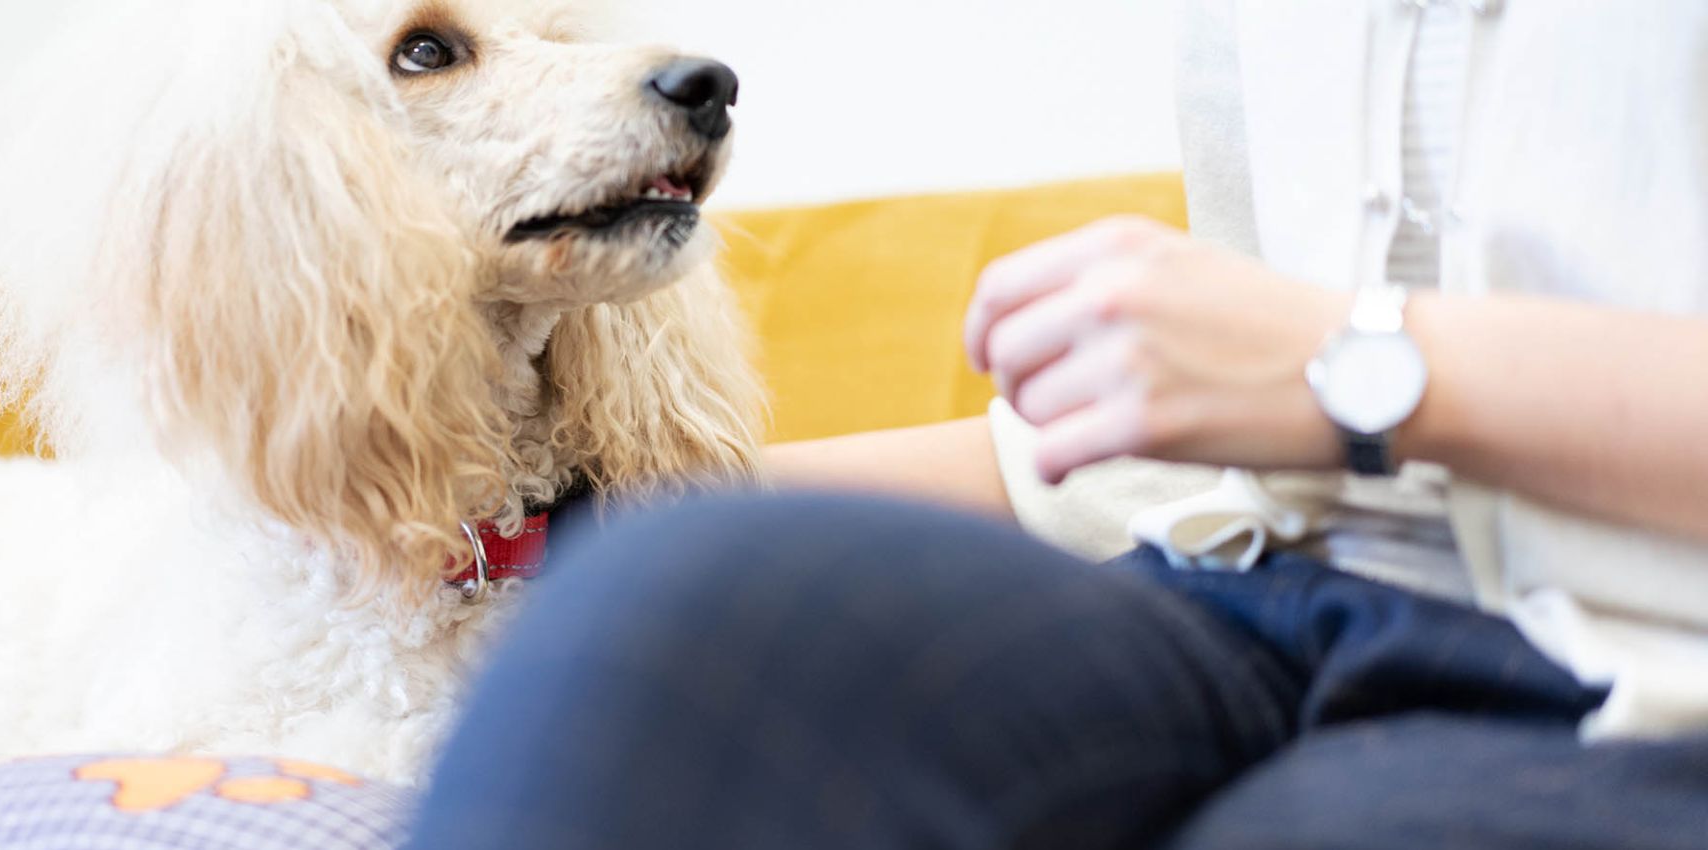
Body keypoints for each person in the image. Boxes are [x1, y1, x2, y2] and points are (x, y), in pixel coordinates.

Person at [409, 1, 1708, 847]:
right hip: (1270, 580)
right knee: (650, 615)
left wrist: (1367, 368)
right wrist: (604, 510)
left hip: (1650, 647)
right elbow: (1219, 449)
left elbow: (1306, 374)